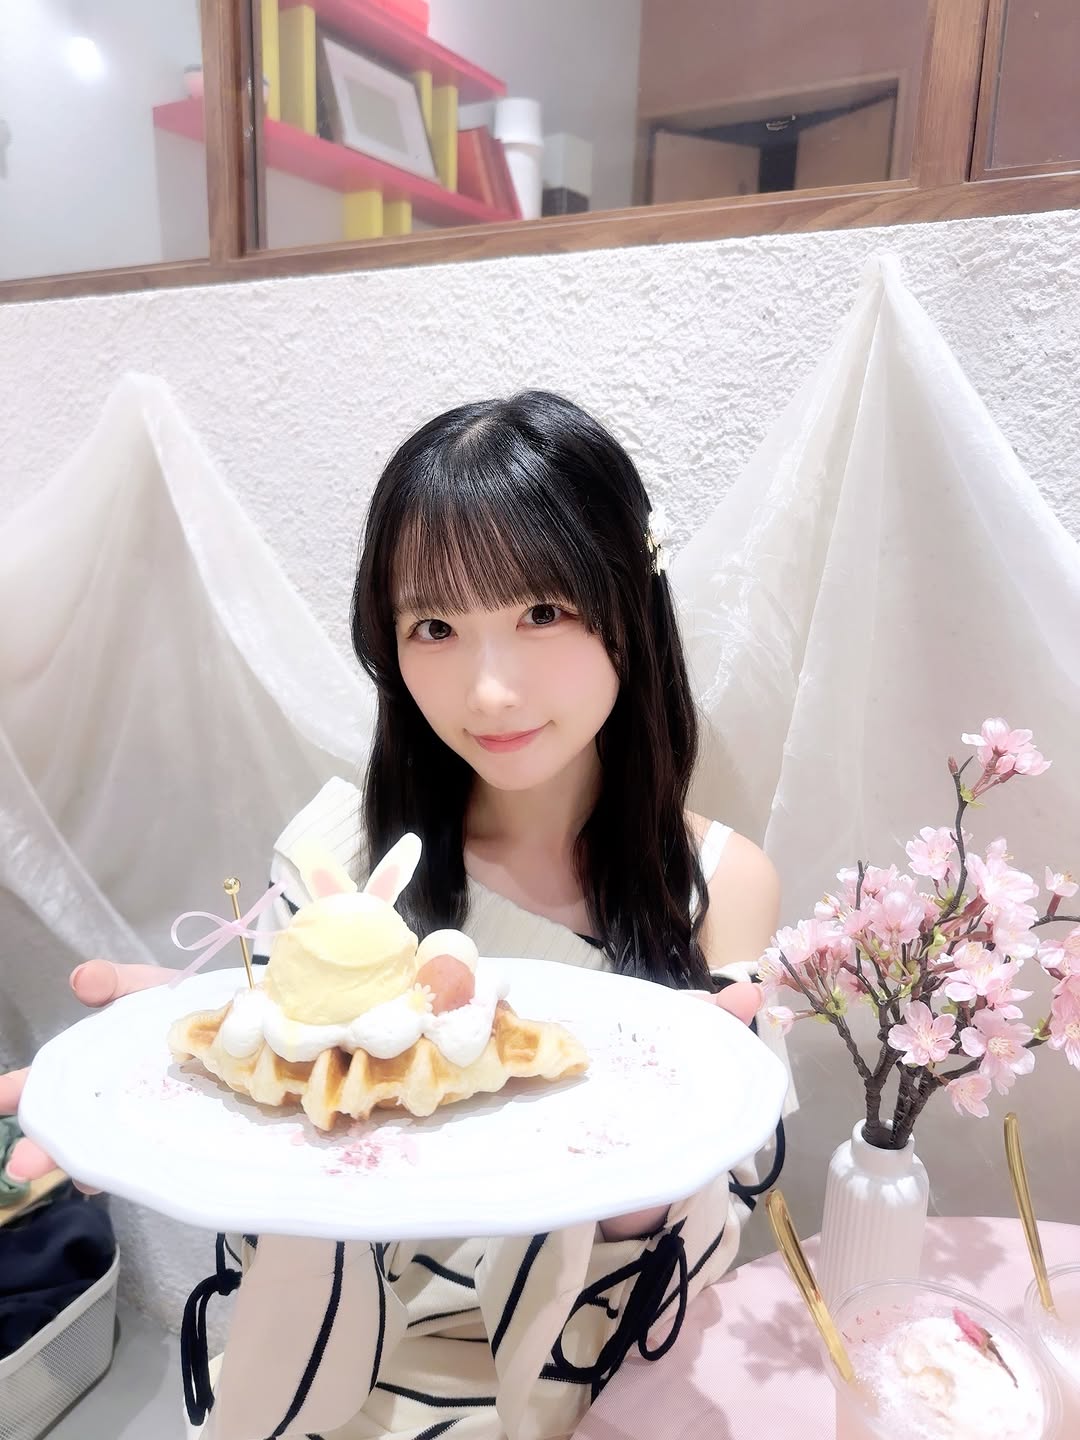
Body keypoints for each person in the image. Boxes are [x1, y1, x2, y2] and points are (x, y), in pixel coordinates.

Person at [0, 391, 783, 1440]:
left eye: (542, 612)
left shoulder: (720, 884)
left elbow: (711, 1243)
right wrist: (204, 1089)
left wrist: (640, 1186)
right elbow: (291, 1198)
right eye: (436, 627)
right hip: (333, 1369)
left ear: (629, 601)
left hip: (586, 1377)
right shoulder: (344, 863)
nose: (490, 691)